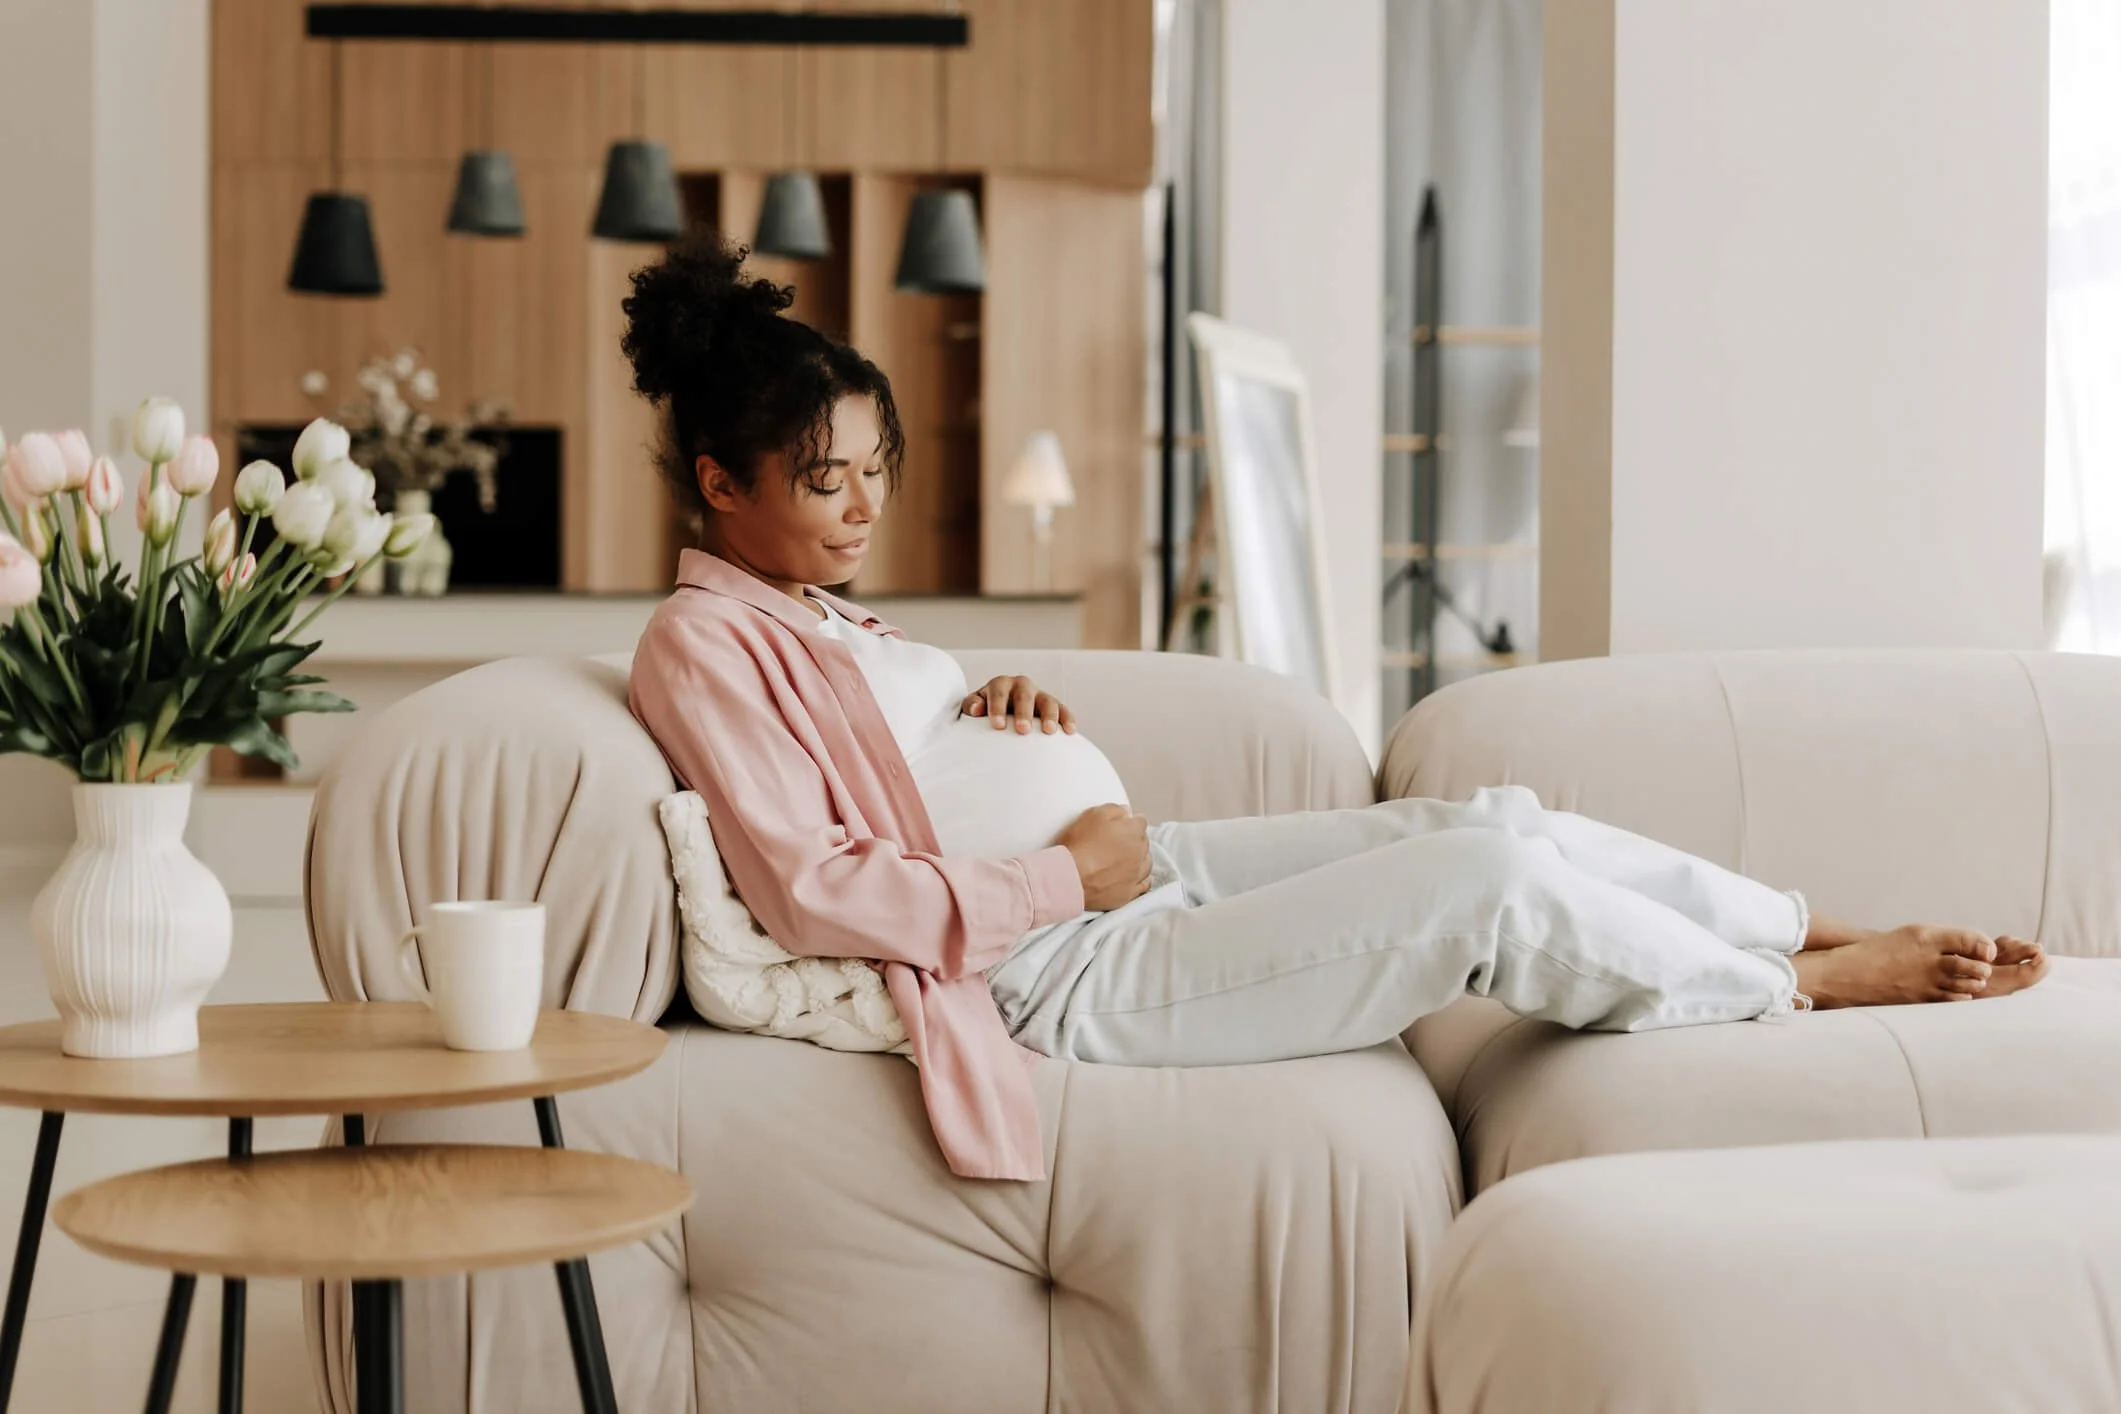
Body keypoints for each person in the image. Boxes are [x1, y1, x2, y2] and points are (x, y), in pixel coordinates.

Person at [624, 235, 2050, 1183]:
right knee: (1481, 885)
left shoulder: (812, 610)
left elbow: (893, 769)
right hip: (1055, 967)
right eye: (827, 480)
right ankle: (1786, 988)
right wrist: (1067, 864)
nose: (866, 505)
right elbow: (817, 888)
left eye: (877, 466)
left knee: (1499, 815)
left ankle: (1793, 919)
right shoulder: (699, 643)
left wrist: (986, 709)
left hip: (1137, 876)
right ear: (721, 484)